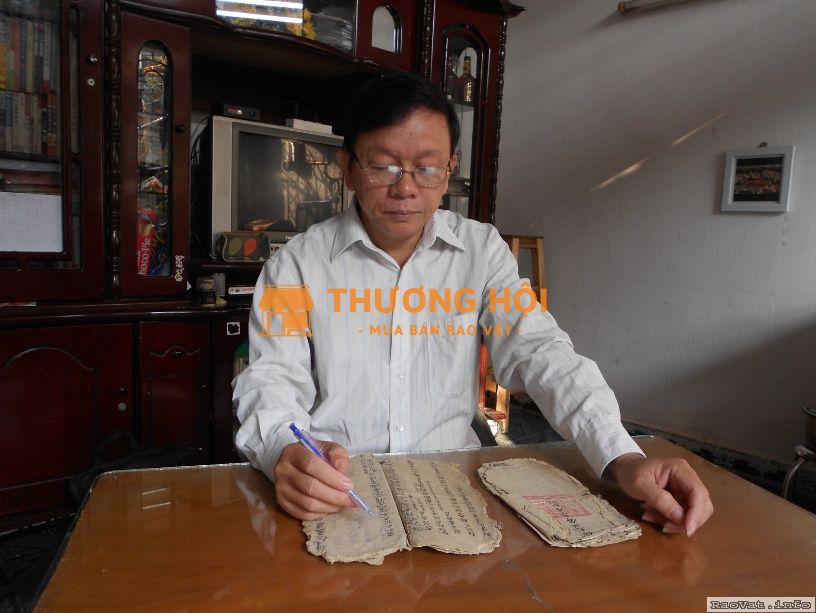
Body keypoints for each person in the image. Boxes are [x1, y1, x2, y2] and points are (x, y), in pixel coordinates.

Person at [233, 73, 713, 536]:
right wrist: (282, 450)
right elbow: (272, 378)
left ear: (449, 169)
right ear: (349, 168)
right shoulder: (296, 264)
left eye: (426, 168)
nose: (406, 188)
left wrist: (622, 456)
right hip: (337, 489)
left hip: (452, 489)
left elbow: (541, 352)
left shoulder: (481, 251)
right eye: (383, 166)